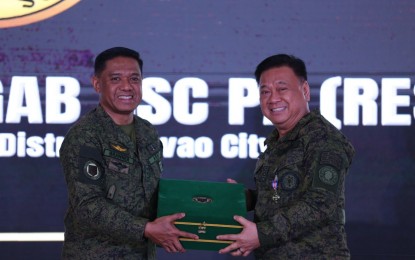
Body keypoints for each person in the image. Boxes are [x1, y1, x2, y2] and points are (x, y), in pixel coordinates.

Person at [59, 47, 198, 259]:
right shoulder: (85, 136)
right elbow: (88, 207)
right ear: (97, 84)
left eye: (134, 79)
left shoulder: (147, 132)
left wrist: (202, 211)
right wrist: (147, 229)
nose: (127, 86)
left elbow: (151, 195)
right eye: (116, 79)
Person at [217, 54, 355, 259]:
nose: (273, 98)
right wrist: (246, 198)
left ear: (305, 90)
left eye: (282, 89)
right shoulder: (278, 142)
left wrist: (262, 233)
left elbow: (320, 203)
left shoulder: (323, 139)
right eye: (265, 91)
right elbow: (281, 195)